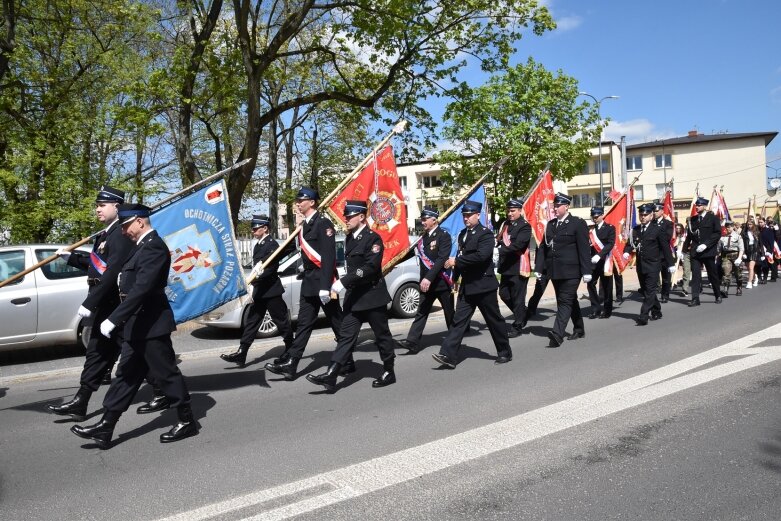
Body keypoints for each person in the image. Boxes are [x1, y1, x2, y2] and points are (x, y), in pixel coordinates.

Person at [71, 204, 198, 448]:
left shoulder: (154, 247)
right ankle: (106, 426)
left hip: (151, 325)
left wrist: (114, 318)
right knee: (125, 377)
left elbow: (141, 289)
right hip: (136, 325)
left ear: (140, 222)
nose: (124, 231)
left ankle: (187, 420)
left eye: (126, 225)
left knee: (167, 373)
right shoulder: (138, 248)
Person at [48, 186, 135, 421]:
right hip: (105, 306)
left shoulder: (122, 233)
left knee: (145, 354)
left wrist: (90, 301)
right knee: (96, 353)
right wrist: (73, 258)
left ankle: (167, 392)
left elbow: (112, 270)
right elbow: (99, 264)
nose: (97, 209)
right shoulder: (105, 234)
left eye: (102, 205)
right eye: (97, 205)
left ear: (117, 207)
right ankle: (80, 401)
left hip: (117, 306)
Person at [307, 201, 397, 391]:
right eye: (345, 216)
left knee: (382, 335)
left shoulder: (373, 239)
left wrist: (343, 281)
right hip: (355, 297)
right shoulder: (350, 238)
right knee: (346, 336)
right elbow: (352, 266)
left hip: (372, 296)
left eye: (349, 216)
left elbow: (371, 268)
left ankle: (389, 370)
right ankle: (331, 374)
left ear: (361, 216)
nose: (345, 219)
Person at [265, 187, 353, 380]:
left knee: (337, 323)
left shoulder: (323, 224)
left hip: (323, 282)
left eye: (301, 200)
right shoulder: (303, 226)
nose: (298, 203)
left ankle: (347, 360)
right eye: (297, 200)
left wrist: (325, 286)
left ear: (312, 202)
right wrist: (265, 263)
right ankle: (292, 363)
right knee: (304, 324)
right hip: (309, 283)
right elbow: (288, 249)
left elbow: (329, 257)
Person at [431, 200, 512, 368]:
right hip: (467, 287)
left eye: (469, 215)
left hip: (484, 286)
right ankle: (448, 356)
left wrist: (456, 261)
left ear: (477, 215)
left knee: (494, 320)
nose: (466, 219)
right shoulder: (462, 234)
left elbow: (481, 257)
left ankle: (504, 352)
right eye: (464, 216)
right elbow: (461, 260)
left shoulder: (486, 234)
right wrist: (455, 279)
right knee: (458, 321)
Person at [220, 214, 294, 367]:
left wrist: (257, 277)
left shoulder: (271, 244)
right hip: (260, 291)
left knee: (281, 322)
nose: (253, 231)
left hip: (271, 291)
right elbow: (257, 267)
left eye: (255, 228)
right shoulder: (258, 245)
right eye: (253, 228)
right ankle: (242, 353)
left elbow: (272, 268)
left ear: (264, 228)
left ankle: (291, 350)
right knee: (252, 322)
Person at [534, 193, 591, 347]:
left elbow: (584, 248)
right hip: (555, 271)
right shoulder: (551, 225)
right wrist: (539, 267)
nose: (555, 208)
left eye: (558, 206)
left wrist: (587, 271)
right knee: (569, 299)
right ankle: (579, 328)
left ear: (567, 206)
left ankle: (557, 334)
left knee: (564, 301)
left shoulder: (577, 223)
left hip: (572, 271)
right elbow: (542, 248)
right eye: (554, 206)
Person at [397, 206, 454, 354]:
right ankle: (412, 342)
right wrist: (391, 262)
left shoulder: (444, 236)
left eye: (424, 219)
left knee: (449, 315)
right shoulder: (423, 238)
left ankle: (454, 343)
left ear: (434, 220)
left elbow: (442, 259)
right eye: (422, 219)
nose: (422, 222)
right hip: (426, 284)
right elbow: (409, 254)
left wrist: (428, 278)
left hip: (441, 283)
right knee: (421, 312)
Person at [623, 203, 675, 325]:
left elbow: (665, 247)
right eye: (641, 214)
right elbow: (630, 244)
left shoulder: (658, 229)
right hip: (641, 265)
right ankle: (657, 310)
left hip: (653, 264)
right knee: (646, 290)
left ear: (651, 215)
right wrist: (626, 252)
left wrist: (670, 263)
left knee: (650, 290)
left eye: (646, 215)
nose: (643, 217)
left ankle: (643, 315)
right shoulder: (635, 230)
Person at [496, 197, 532, 337]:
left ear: (520, 210)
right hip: (506, 267)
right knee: (503, 294)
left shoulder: (524, 226)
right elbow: (500, 239)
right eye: (508, 211)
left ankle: (517, 326)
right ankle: (523, 314)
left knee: (518, 298)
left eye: (513, 211)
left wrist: (499, 251)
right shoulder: (506, 224)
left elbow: (518, 245)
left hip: (518, 267)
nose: (510, 214)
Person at [683, 196, 722, 306]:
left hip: (708, 251)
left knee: (712, 274)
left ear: (705, 206)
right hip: (695, 252)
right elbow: (689, 236)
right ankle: (695, 298)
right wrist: (684, 250)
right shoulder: (693, 219)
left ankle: (718, 294)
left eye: (699, 205)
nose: (697, 207)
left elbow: (717, 233)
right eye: (696, 205)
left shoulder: (713, 218)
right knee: (695, 276)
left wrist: (706, 244)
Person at [586, 206, 615, 319]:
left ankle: (607, 310)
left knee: (607, 287)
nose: (595, 218)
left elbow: (610, 244)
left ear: (602, 215)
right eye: (593, 216)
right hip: (593, 262)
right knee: (590, 284)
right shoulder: (591, 229)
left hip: (605, 261)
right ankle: (595, 309)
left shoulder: (610, 228)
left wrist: (599, 255)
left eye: (597, 216)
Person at [652, 200, 674, 303]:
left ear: (661, 211)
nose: (654, 213)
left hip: (664, 254)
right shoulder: (651, 223)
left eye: (656, 211)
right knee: (653, 276)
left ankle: (665, 295)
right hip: (654, 254)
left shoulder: (668, 223)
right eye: (653, 211)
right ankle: (654, 293)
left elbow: (667, 237)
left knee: (666, 277)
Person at [718, 220, 744, 297]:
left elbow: (741, 248)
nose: (728, 229)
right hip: (726, 256)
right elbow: (720, 249)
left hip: (736, 255)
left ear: (733, 227)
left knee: (738, 274)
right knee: (726, 273)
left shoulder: (738, 236)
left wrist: (739, 258)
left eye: (729, 227)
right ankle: (726, 289)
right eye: (727, 227)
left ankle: (739, 287)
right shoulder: (723, 238)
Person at [672, 222, 690, 296]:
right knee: (675, 268)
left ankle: (698, 286)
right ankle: (684, 289)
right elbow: (673, 244)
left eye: (679, 228)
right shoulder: (675, 236)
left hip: (687, 254)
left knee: (687, 271)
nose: (678, 230)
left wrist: (685, 241)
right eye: (677, 228)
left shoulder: (686, 234)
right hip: (678, 253)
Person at [758, 217, 778, 284]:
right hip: (760, 250)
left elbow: (771, 241)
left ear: (764, 222)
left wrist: (769, 251)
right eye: (759, 222)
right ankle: (763, 278)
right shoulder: (758, 230)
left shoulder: (769, 230)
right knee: (763, 264)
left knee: (770, 264)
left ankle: (771, 277)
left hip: (768, 250)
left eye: (761, 222)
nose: (760, 223)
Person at [742, 220, 759, 289]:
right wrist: (743, 252)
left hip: (754, 251)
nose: (749, 226)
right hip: (746, 251)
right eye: (748, 224)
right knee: (748, 268)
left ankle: (749, 282)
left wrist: (763, 254)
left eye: (751, 224)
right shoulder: (744, 233)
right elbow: (741, 243)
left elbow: (760, 243)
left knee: (751, 267)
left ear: (753, 225)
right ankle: (755, 277)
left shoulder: (757, 232)